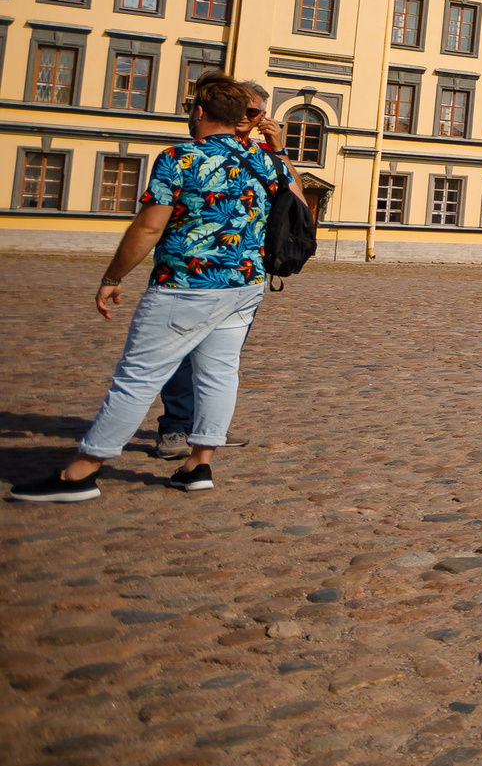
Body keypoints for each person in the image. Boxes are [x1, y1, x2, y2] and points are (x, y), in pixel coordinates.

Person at [12, 76, 303, 503]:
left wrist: (112, 277)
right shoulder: (263, 159)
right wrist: (276, 149)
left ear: (200, 112)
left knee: (136, 377)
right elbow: (295, 196)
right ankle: (198, 464)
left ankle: (81, 472)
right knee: (219, 373)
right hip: (246, 284)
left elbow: (150, 226)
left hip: (186, 284)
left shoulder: (179, 158)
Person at [148, 79, 281, 456]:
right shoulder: (190, 153)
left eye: (255, 113)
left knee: (219, 362)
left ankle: (207, 432)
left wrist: (278, 149)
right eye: (244, 110)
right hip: (187, 276)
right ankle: (174, 426)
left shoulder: (261, 157)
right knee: (174, 357)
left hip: (243, 278)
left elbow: (295, 200)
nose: (247, 118)